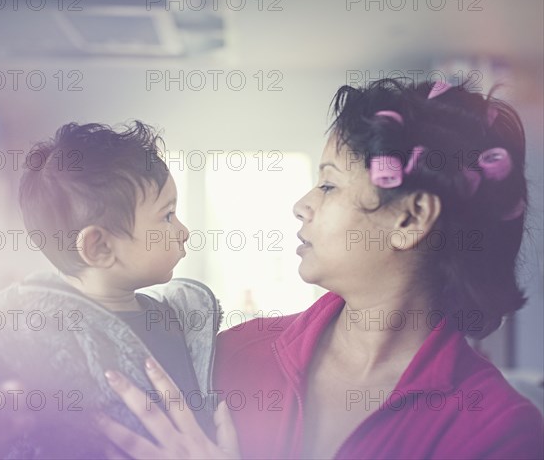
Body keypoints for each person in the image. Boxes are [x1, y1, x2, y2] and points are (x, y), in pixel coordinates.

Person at [100, 79, 544, 459]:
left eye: (329, 184)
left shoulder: (498, 432)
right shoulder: (230, 355)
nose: (301, 205)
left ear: (409, 219)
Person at [0, 122, 230, 459]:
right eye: (167, 216)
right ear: (100, 247)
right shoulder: (24, 328)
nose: (183, 231)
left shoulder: (176, 319)